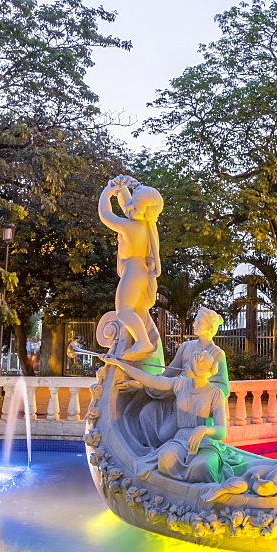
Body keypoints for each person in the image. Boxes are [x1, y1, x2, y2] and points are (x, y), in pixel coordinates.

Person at [108, 348, 231, 484]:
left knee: (202, 467)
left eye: (189, 363)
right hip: (180, 440)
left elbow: (221, 431)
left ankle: (204, 497)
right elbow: (152, 381)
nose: (184, 367)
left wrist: (205, 429)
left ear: (195, 369)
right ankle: (175, 492)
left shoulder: (215, 393)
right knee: (166, 457)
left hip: (205, 443)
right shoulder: (180, 383)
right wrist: (120, 364)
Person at [98, 175, 163, 360]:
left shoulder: (130, 227)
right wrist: (121, 187)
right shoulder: (145, 224)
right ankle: (137, 342)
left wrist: (107, 192)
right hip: (139, 271)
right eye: (132, 202)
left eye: (135, 205)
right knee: (134, 311)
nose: (130, 206)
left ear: (145, 212)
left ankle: (143, 341)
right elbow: (128, 204)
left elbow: (106, 215)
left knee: (124, 311)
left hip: (133, 271)